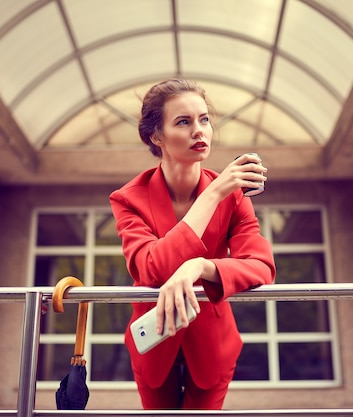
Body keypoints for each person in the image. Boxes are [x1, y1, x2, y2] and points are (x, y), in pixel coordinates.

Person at [109, 79, 276, 410]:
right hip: (152, 340)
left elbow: (261, 265)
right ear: (156, 136)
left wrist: (200, 266)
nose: (199, 131)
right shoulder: (129, 199)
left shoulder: (235, 195)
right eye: (183, 122)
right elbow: (152, 268)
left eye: (204, 119)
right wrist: (213, 194)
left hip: (214, 342)